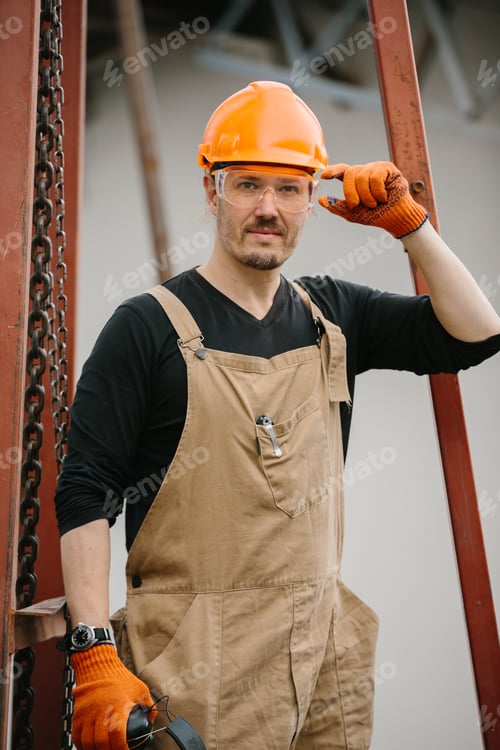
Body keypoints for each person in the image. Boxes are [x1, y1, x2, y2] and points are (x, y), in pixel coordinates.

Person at [55, 80, 500, 750]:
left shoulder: (333, 316)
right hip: (193, 667)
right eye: (248, 185)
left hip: (321, 659)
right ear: (212, 192)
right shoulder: (144, 328)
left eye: (289, 189)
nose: (268, 208)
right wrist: (92, 654)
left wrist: (411, 226)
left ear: (311, 203)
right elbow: (85, 492)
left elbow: (474, 334)